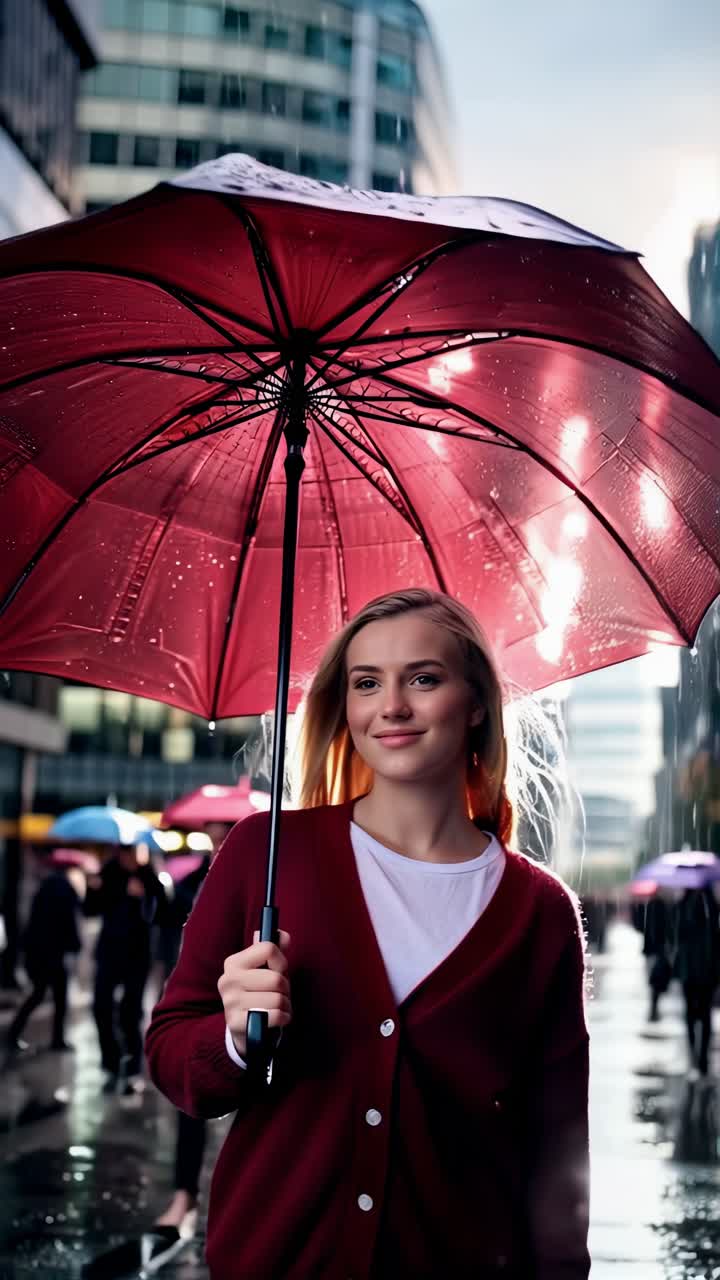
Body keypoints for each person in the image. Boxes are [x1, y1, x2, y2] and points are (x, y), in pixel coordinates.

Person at [146, 588, 590, 1280]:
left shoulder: (540, 911)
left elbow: (557, 1145)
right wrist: (234, 1039)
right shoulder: (266, 854)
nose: (392, 707)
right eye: (366, 683)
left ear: (476, 703)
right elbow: (172, 1054)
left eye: (424, 678)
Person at [86, 842, 167, 1092]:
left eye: (133, 852)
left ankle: (132, 1068)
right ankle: (110, 1063)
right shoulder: (106, 873)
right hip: (109, 952)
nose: (129, 857)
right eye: (125, 853)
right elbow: (90, 909)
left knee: (130, 1012)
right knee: (101, 1007)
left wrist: (145, 894)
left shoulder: (147, 874)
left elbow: (163, 911)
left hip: (137, 954)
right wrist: (94, 889)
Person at [6, 852, 83, 1052]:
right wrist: (75, 944)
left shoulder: (45, 886)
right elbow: (68, 921)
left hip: (40, 951)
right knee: (55, 997)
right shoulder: (65, 888)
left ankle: (17, 1033)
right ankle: (55, 1039)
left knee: (40, 994)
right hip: (53, 953)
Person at [673, 885, 720, 1079]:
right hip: (699, 969)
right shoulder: (708, 905)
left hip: (698, 969)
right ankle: (698, 1056)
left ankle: (699, 1056)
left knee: (697, 1014)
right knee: (699, 1014)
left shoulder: (697, 905)